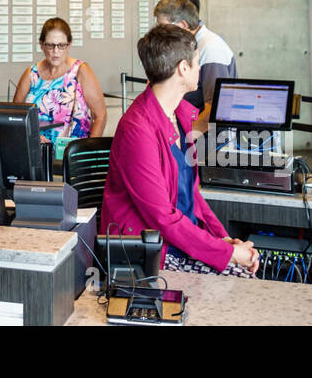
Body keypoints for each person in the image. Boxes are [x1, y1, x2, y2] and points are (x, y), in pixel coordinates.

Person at [101, 24, 259, 278]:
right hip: (154, 252)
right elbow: (163, 218)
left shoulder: (180, 115)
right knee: (243, 282)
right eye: (198, 63)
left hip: (180, 241)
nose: (200, 69)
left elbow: (192, 196)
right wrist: (227, 254)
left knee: (245, 277)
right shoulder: (137, 129)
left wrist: (226, 240)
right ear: (183, 69)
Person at [153, 0, 237, 134]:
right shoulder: (189, 44)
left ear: (183, 25)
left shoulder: (210, 49)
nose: (160, 34)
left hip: (206, 140)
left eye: (164, 27)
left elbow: (214, 109)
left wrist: (179, 140)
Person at [12, 18, 107, 142]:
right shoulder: (31, 74)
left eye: (61, 45)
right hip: (36, 152)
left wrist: (88, 150)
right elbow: (14, 117)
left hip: (72, 153)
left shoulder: (80, 71)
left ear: (69, 45)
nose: (56, 51)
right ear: (41, 45)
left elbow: (100, 116)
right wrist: (33, 138)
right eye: (50, 45)